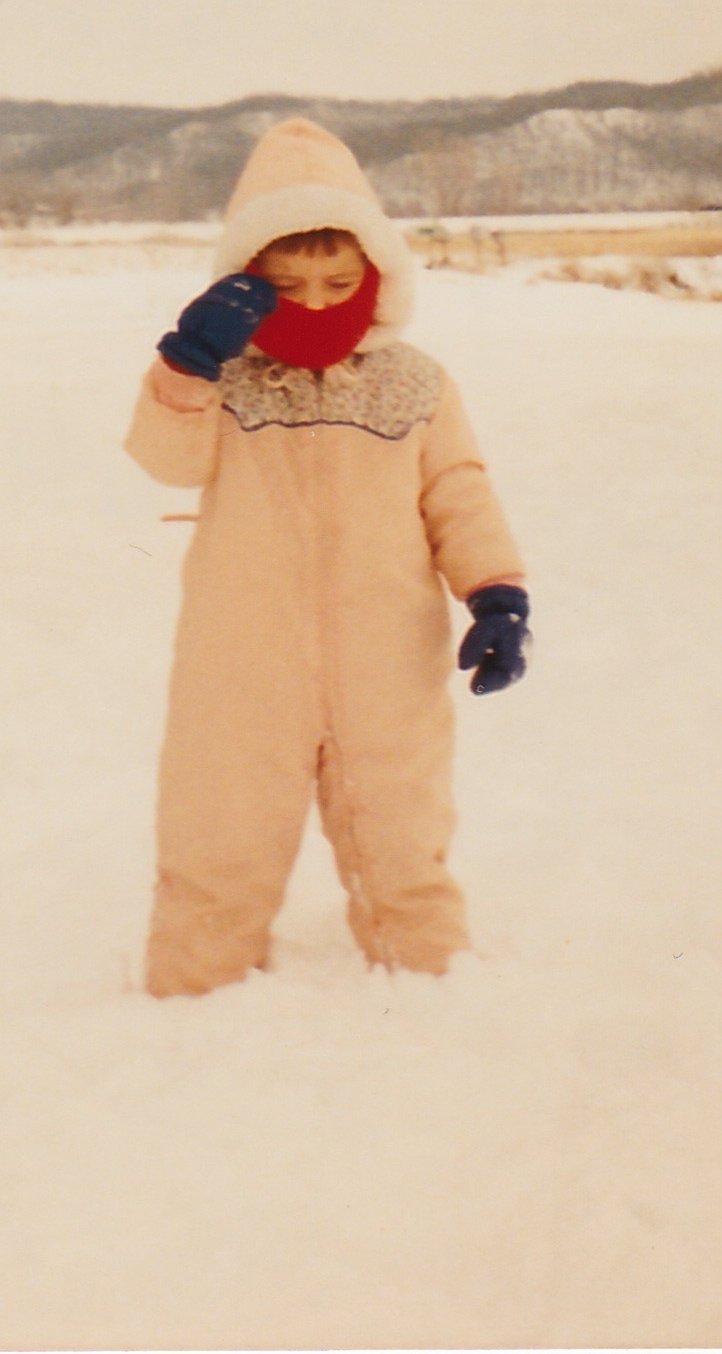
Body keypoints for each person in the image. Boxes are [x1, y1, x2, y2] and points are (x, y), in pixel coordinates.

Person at [124, 117, 530, 997]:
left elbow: (458, 491)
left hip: (388, 647)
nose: (313, 305)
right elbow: (166, 460)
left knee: (401, 820)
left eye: (339, 283)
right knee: (220, 822)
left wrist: (496, 593)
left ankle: (431, 979)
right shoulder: (221, 377)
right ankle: (194, 987)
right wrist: (186, 368)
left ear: (376, 276)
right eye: (287, 287)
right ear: (245, 282)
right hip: (242, 651)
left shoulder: (417, 381)